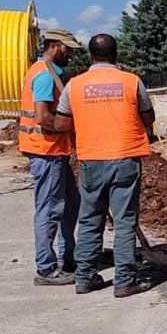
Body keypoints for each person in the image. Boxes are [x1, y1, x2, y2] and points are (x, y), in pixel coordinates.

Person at [54, 33, 156, 298]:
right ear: (116, 55)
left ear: (90, 56)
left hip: (91, 160)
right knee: (124, 221)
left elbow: (61, 124)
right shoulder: (131, 82)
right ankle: (124, 281)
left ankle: (84, 277)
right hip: (125, 159)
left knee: (89, 220)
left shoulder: (75, 85)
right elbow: (148, 117)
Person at [17, 27, 82, 287]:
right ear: (54, 46)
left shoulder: (51, 73)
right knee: (50, 208)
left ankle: (68, 257)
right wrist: (69, 126)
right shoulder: (44, 76)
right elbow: (43, 117)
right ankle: (46, 268)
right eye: (67, 49)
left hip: (54, 150)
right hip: (46, 150)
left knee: (71, 203)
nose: (70, 55)